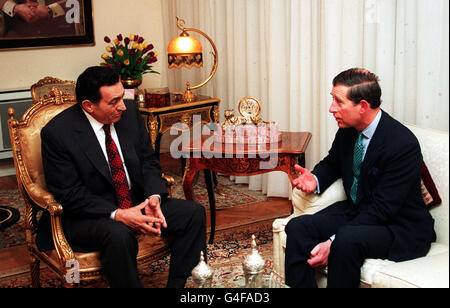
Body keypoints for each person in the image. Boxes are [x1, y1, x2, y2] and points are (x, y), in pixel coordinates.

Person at [36, 66, 207, 288]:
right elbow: (69, 193)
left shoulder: (129, 113)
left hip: (135, 201)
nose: (123, 106)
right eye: (113, 101)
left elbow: (148, 160)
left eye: (122, 97)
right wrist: (118, 214)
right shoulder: (58, 133)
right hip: (90, 214)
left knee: (193, 214)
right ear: (88, 106)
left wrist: (154, 196)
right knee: (118, 235)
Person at [284, 68, 436, 288]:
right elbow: (333, 162)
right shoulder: (348, 129)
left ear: (362, 106)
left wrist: (332, 242)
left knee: (345, 241)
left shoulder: (402, 144)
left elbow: (384, 209)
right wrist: (315, 179)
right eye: (332, 99)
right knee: (298, 227)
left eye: (338, 101)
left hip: (398, 225)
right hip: (360, 211)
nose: (331, 108)